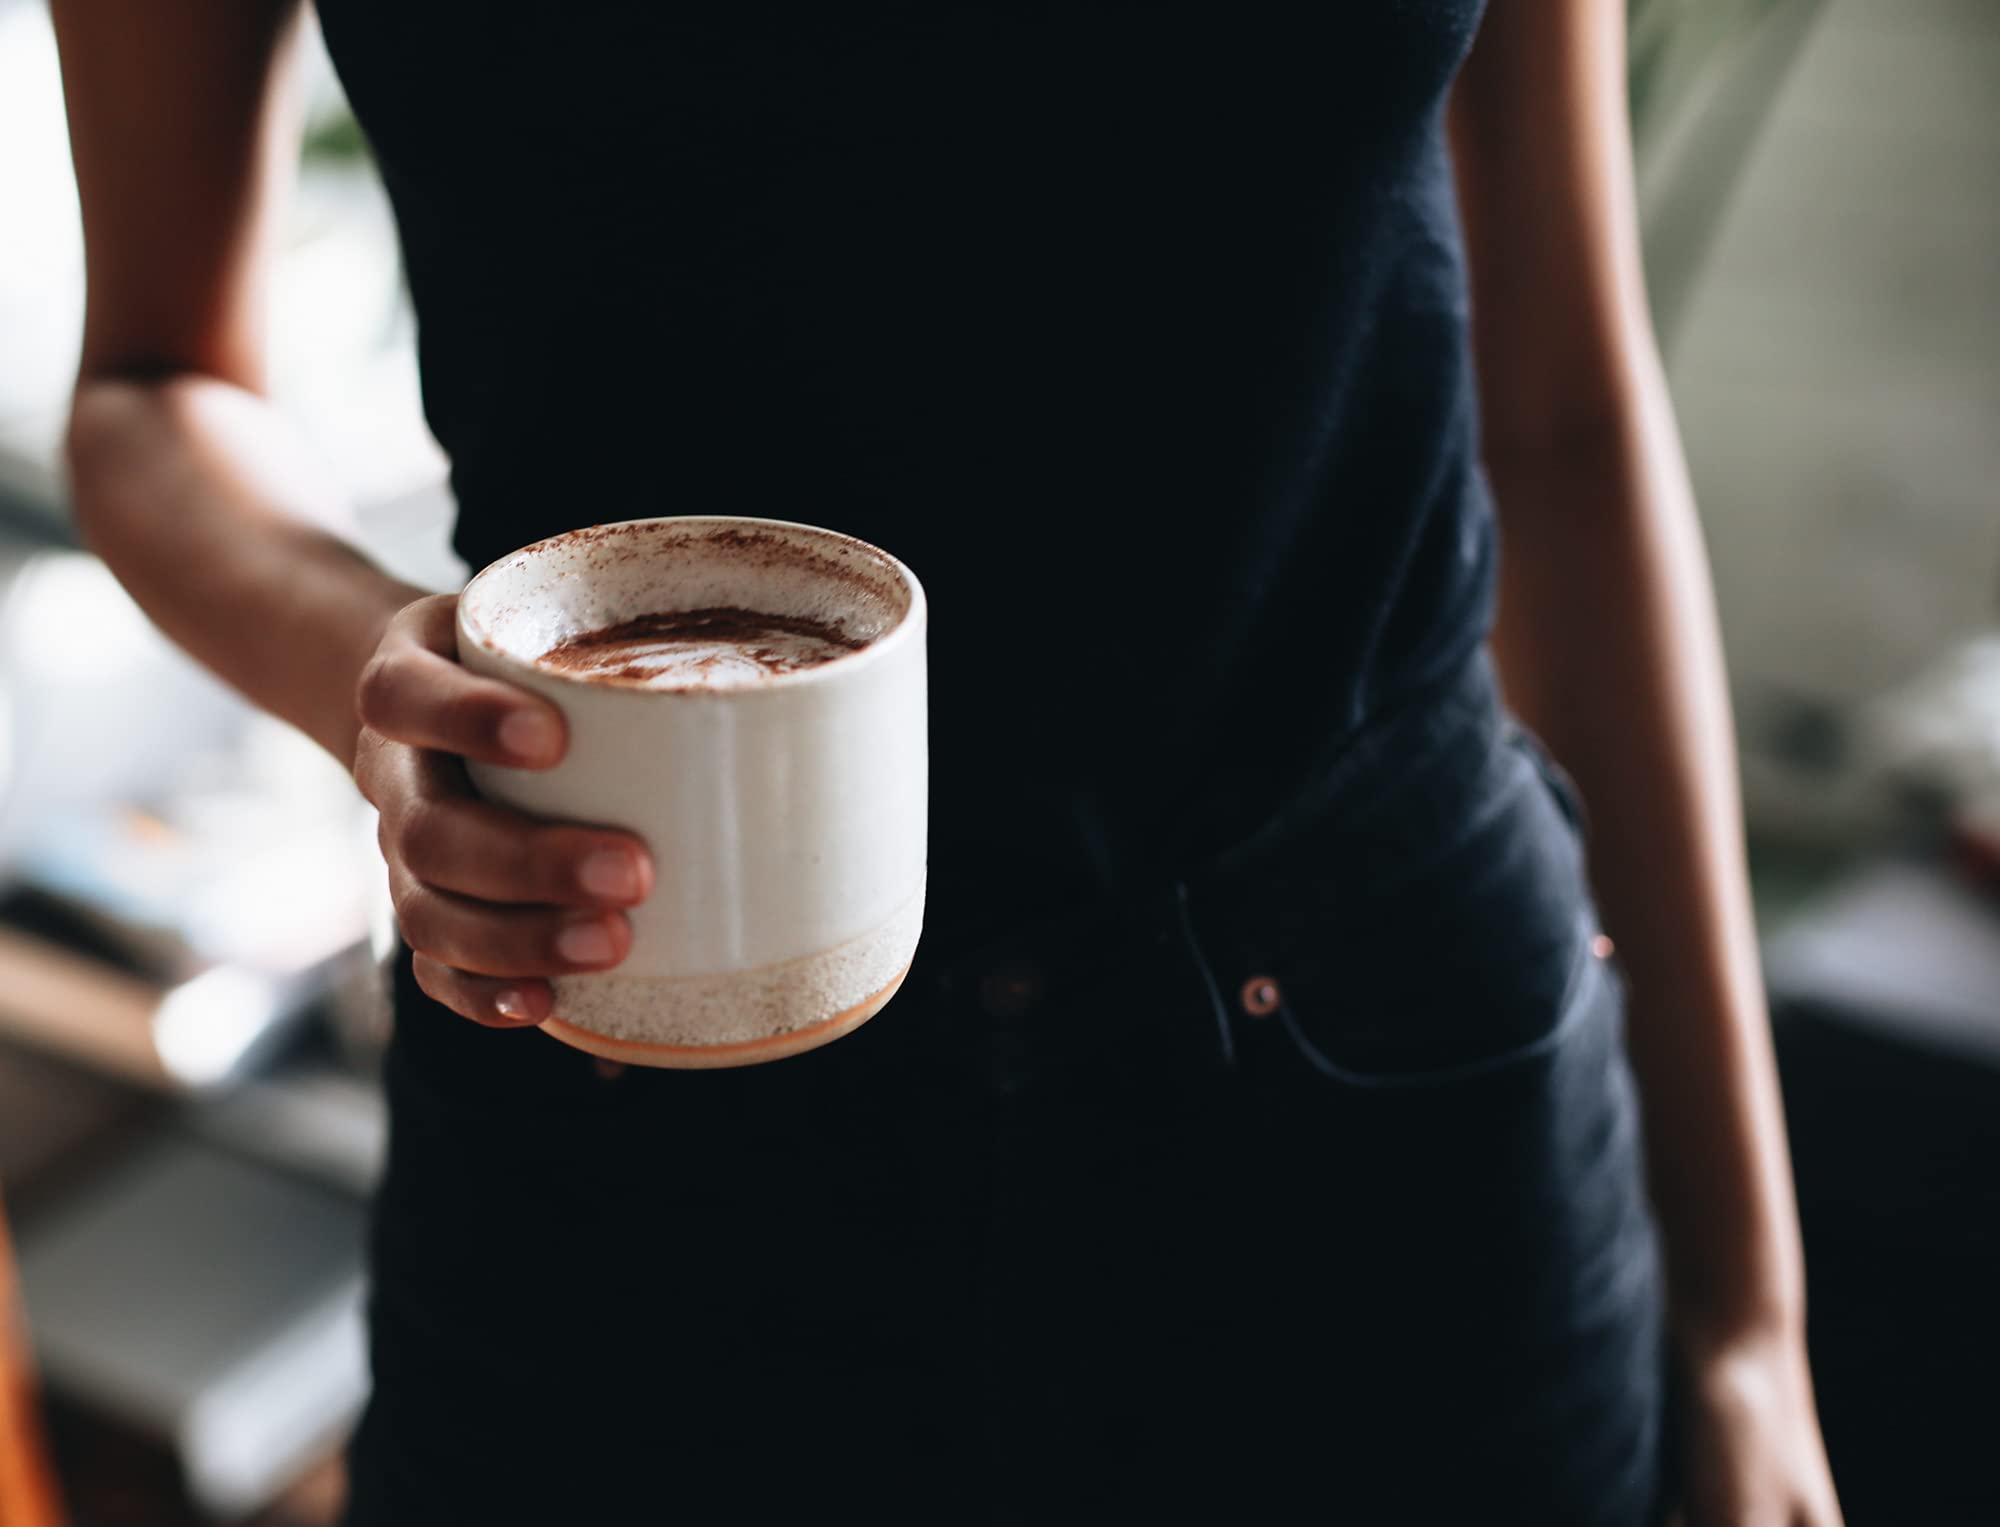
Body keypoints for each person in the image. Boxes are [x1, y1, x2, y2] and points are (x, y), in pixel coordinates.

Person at [51, 2, 1842, 1522]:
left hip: (1388, 1132)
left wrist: (1750, 1317)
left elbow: (1565, 412)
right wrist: (378, 679)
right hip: (632, 1115)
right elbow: (151, 381)